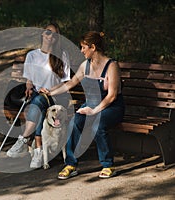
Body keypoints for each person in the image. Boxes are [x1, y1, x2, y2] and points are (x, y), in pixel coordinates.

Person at [40, 31, 125, 179]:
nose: (81, 51)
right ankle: (71, 164)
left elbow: (112, 96)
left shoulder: (112, 66)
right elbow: (70, 84)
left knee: (97, 124)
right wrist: (50, 93)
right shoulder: (85, 65)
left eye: (83, 47)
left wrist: (94, 111)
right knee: (74, 122)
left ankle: (108, 165)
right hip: (91, 105)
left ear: (92, 47)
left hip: (112, 107)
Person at [6, 22, 71, 169]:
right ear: (42, 34)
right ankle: (37, 151)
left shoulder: (62, 55)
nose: (50, 36)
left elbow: (65, 83)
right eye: (48, 32)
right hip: (38, 96)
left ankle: (23, 141)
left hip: (58, 95)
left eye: (54, 35)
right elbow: (29, 80)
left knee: (40, 100)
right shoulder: (32, 55)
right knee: (39, 105)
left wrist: (49, 90)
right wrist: (29, 87)